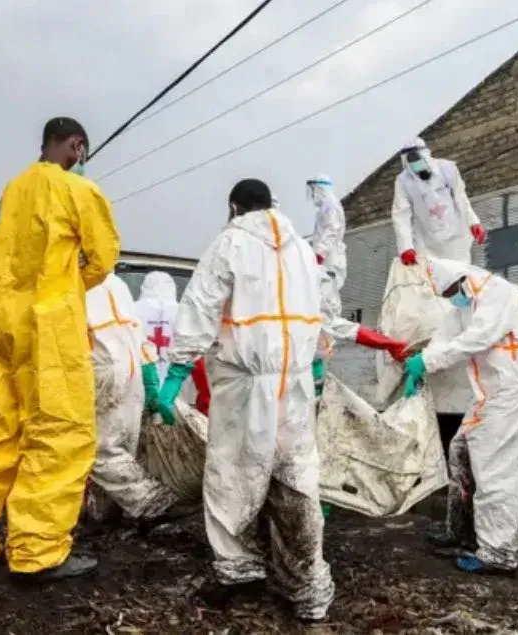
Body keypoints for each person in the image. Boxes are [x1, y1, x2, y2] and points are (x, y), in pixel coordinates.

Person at [0, 116, 120, 583]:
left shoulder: (13, 189)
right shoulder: (79, 191)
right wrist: (68, 283)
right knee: (59, 433)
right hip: (48, 324)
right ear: (77, 145)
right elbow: (103, 259)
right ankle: (38, 553)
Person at [155, 179, 334, 622]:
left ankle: (239, 572)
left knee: (232, 473)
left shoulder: (229, 243)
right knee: (295, 477)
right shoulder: (300, 250)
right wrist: (313, 358)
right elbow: (323, 304)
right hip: (292, 383)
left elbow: (199, 307)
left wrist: (177, 369)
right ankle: (308, 587)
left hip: (244, 382)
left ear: (234, 206)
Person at [401, 258, 518, 576]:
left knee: (496, 476)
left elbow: (477, 338)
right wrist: (421, 362)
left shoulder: (497, 293)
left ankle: (499, 554)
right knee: (460, 451)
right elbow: (445, 336)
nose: (451, 298)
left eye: (450, 291)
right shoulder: (462, 303)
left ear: (461, 279)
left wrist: (429, 362)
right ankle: (460, 530)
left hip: (510, 398)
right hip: (488, 397)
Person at [85, 273, 194, 532]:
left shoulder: (71, 281)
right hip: (133, 368)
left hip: (99, 369)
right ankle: (103, 513)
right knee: (123, 442)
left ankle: (152, 502)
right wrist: (148, 373)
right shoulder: (116, 284)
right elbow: (136, 332)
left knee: (98, 449)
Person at [307, 174, 406, 392]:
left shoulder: (329, 207)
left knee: (328, 329)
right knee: (327, 333)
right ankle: (318, 384)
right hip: (325, 272)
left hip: (325, 269)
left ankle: (318, 386)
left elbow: (330, 233)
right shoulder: (327, 207)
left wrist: (318, 256)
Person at [392, 137, 485, 265]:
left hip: (456, 235)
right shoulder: (403, 182)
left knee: (460, 273)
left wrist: (473, 222)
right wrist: (406, 247)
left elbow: (460, 197)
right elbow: (401, 215)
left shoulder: (447, 168)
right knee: (436, 278)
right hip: (428, 242)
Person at [134, 271, 211, 415]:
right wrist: (204, 399)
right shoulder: (183, 313)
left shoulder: (131, 310)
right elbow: (195, 358)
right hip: (175, 396)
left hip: (138, 394)